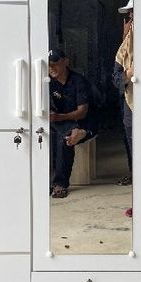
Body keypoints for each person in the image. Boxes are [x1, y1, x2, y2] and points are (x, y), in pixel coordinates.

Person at [48, 48, 98, 199]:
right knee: (46, 133)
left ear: (66, 62)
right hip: (60, 123)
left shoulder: (78, 81)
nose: (51, 68)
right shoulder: (48, 82)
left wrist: (58, 117)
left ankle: (60, 184)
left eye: (55, 63)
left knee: (66, 138)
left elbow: (82, 112)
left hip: (83, 122)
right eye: (48, 65)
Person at [113, 0, 134, 217]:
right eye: (128, 17)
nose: (128, 22)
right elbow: (116, 78)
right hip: (130, 105)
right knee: (133, 151)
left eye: (132, 15)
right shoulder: (124, 50)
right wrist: (128, 74)